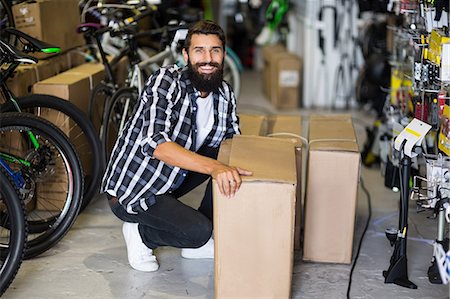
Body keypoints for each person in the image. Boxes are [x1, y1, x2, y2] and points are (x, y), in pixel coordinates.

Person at [101, 20, 252, 272]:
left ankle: (198, 238)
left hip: (169, 180)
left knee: (230, 159)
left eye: (215, 50)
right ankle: (142, 234)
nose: (208, 59)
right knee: (198, 231)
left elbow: (232, 142)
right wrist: (215, 168)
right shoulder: (166, 81)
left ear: (224, 54)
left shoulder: (224, 93)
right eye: (199, 50)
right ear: (185, 55)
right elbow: (155, 144)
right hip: (135, 191)